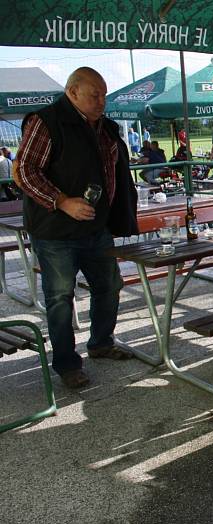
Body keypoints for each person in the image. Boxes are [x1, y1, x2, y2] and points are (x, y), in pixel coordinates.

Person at [15, 67, 138, 389]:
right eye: (94, 94)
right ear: (72, 92)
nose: (102, 101)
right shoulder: (45, 121)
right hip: (54, 231)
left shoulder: (106, 128)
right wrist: (60, 201)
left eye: (104, 94)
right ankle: (67, 364)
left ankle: (101, 342)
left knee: (109, 287)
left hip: (96, 228)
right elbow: (25, 171)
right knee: (59, 298)